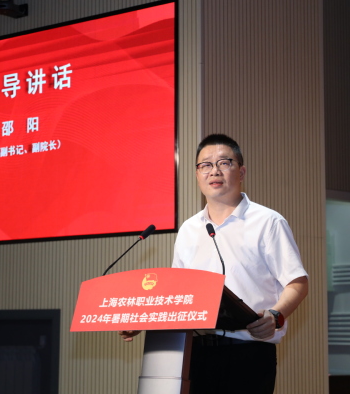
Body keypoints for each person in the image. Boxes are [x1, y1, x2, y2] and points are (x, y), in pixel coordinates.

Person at [119, 134, 308, 394]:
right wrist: (143, 320)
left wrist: (276, 315)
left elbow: (297, 283)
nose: (214, 171)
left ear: (241, 172)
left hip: (248, 353)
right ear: (197, 175)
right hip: (196, 353)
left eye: (224, 163)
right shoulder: (189, 229)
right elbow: (178, 295)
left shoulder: (268, 222)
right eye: (205, 165)